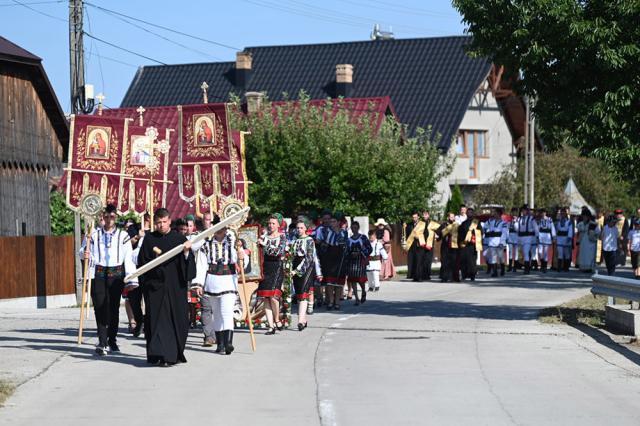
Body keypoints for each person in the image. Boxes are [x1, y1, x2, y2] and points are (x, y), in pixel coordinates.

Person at [137, 208, 196, 366]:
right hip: (155, 288)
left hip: (175, 287)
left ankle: (172, 355)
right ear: (154, 223)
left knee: (175, 320)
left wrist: (186, 253)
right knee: (157, 321)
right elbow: (142, 263)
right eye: (158, 223)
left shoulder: (179, 239)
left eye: (164, 222)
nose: (161, 225)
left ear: (169, 221)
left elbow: (187, 266)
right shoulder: (149, 239)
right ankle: (158, 354)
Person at [81, 204, 136, 356]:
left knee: (113, 308)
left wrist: (131, 279)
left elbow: (128, 258)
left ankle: (112, 340)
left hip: (116, 275)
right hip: (98, 273)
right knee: (100, 307)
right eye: (106, 216)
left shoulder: (123, 235)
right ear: (102, 218)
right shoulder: (93, 234)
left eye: (112, 217)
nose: (109, 219)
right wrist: (85, 254)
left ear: (116, 218)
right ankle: (102, 341)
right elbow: (83, 251)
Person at [193, 217, 242, 354]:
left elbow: (240, 259)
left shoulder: (233, 241)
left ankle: (228, 343)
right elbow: (201, 265)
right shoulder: (206, 244)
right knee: (217, 314)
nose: (220, 230)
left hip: (228, 280)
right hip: (212, 281)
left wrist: (241, 254)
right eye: (217, 227)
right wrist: (198, 284)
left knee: (226, 311)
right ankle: (220, 344)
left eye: (223, 227)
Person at [257, 214, 287, 335]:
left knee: (274, 296)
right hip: (266, 266)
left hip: (277, 266)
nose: (271, 225)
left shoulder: (282, 237)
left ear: (278, 225)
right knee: (266, 296)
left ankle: (276, 319)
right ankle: (270, 326)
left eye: (273, 223)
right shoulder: (264, 236)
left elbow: (278, 252)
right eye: (269, 223)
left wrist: (264, 245)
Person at [290, 220, 322, 330]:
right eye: (297, 228)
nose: (299, 230)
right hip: (295, 265)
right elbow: (291, 255)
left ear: (305, 229)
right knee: (299, 294)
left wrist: (297, 270)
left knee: (303, 293)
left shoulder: (309, 240)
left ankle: (300, 321)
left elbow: (309, 258)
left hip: (306, 268)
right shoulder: (294, 240)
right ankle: (303, 319)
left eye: (301, 228)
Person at [319, 216, 347, 309]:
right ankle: (331, 301)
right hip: (330, 257)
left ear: (338, 222)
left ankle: (337, 302)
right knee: (330, 281)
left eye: (334, 221)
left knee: (339, 282)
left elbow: (345, 244)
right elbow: (323, 244)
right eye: (331, 222)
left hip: (340, 257)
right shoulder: (327, 232)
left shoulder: (344, 232)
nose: (332, 223)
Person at [345, 221, 372, 305]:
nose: (354, 229)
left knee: (360, 279)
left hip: (360, 260)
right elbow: (346, 251)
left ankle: (363, 291)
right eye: (353, 228)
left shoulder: (363, 237)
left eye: (356, 228)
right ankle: (356, 298)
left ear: (358, 228)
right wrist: (350, 254)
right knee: (353, 280)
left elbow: (369, 248)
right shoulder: (349, 240)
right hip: (352, 261)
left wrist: (361, 252)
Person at [457, 208, 482, 281]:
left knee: (472, 261)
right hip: (465, 244)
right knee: (464, 260)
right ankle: (464, 275)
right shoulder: (463, 223)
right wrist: (462, 240)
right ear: (467, 214)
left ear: (473, 214)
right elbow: (460, 233)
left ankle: (472, 275)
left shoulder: (476, 223)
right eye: (468, 213)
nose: (469, 214)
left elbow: (480, 232)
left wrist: (474, 236)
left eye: (471, 212)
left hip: (472, 245)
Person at [483, 208, 508, 277]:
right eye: (494, 213)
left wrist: (502, 242)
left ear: (499, 214)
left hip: (499, 241)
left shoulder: (503, 223)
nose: (494, 215)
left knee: (500, 257)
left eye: (496, 213)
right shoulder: (491, 222)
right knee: (493, 257)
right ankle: (495, 272)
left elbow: (504, 233)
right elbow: (485, 226)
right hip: (491, 241)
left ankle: (502, 269)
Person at [404, 212, 427, 282]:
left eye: (415, 217)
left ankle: (419, 277)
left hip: (420, 245)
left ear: (418, 217)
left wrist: (419, 237)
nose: (414, 219)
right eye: (413, 217)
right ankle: (414, 276)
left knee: (419, 261)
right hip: (412, 245)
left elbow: (426, 234)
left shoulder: (422, 224)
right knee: (413, 261)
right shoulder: (409, 225)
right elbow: (407, 235)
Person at [576, 209, 600, 273]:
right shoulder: (580, 224)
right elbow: (578, 231)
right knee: (583, 255)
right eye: (583, 216)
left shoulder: (593, 224)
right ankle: (583, 267)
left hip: (590, 243)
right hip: (583, 242)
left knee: (590, 255)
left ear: (588, 216)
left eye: (585, 216)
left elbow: (598, 232)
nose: (584, 217)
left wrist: (593, 236)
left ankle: (590, 268)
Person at [439, 212, 460, 283]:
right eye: (451, 217)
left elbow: (460, 234)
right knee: (445, 262)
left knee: (454, 262)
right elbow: (439, 233)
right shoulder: (444, 225)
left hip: (454, 246)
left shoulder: (457, 225)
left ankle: (454, 277)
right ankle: (444, 277)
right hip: (445, 246)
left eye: (453, 217)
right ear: (448, 218)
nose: (452, 218)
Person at [517, 205, 539, 274]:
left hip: (528, 237)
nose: (523, 212)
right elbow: (517, 229)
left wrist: (537, 237)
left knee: (526, 252)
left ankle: (527, 269)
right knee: (524, 253)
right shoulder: (519, 219)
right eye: (523, 210)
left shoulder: (531, 219)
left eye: (525, 210)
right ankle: (527, 266)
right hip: (521, 237)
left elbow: (536, 228)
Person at [421, 210, 441, 281]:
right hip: (422, 244)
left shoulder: (432, 223)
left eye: (426, 214)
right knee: (422, 260)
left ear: (428, 215)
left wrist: (437, 235)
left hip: (430, 244)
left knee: (428, 260)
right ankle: (422, 275)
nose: (425, 216)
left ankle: (427, 275)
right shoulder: (420, 223)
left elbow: (440, 229)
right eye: (423, 214)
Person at [536, 208, 556, 273]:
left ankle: (544, 266)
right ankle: (542, 263)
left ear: (546, 213)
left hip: (547, 236)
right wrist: (537, 236)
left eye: (544, 212)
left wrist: (554, 236)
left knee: (545, 253)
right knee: (540, 252)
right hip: (541, 236)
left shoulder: (549, 220)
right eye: (542, 212)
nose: (543, 214)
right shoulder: (539, 220)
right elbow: (537, 228)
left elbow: (552, 228)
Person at [555, 207, 574, 272]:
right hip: (560, 238)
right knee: (560, 253)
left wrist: (569, 237)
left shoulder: (569, 222)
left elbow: (570, 231)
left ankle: (566, 267)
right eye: (561, 213)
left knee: (566, 254)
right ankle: (559, 267)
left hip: (566, 239)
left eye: (564, 213)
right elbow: (556, 230)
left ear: (566, 214)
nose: (562, 214)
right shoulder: (558, 222)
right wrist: (555, 237)